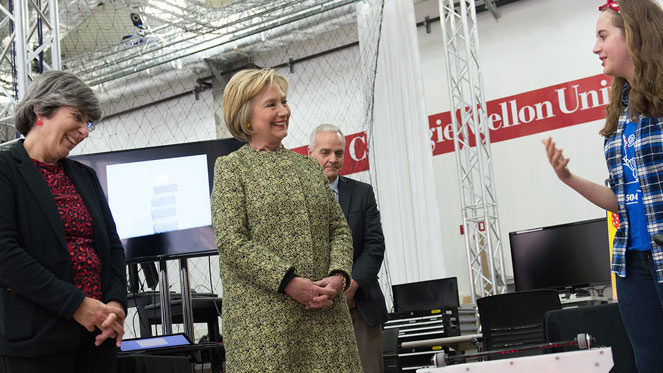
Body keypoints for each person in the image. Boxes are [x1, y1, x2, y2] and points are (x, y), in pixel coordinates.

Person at [211, 68, 362, 372]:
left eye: (284, 102)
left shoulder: (308, 167)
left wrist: (339, 276)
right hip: (266, 331)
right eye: (272, 105)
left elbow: (339, 230)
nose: (284, 111)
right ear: (246, 117)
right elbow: (231, 241)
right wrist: (289, 283)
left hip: (326, 323)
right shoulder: (231, 169)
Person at [542, 1, 663, 371]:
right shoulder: (620, 112)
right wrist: (568, 178)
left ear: (635, 35)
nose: (595, 47)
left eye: (603, 35)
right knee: (648, 363)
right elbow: (621, 201)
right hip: (631, 265)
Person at [0, 71, 127, 372]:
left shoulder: (85, 176)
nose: (84, 131)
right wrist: (76, 305)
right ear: (40, 111)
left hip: (97, 336)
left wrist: (116, 305)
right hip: (36, 339)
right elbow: (5, 254)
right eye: (78, 117)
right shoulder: (6, 170)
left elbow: (112, 249)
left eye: (89, 123)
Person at [308, 124, 388, 373]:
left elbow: (375, 245)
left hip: (359, 307)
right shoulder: (297, 199)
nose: (333, 159)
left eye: (339, 153)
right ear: (310, 154)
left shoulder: (363, 193)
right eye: (325, 152)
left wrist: (350, 286)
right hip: (313, 311)